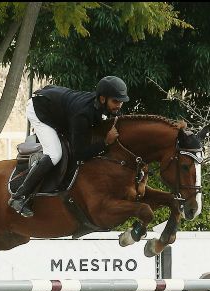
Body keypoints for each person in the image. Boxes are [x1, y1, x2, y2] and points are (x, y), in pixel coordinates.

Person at [7, 75, 129, 217]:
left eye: (121, 102)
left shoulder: (103, 106)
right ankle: (19, 197)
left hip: (57, 107)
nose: (119, 105)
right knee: (54, 154)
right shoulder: (82, 115)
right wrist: (105, 143)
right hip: (39, 109)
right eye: (115, 101)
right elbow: (79, 153)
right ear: (102, 99)